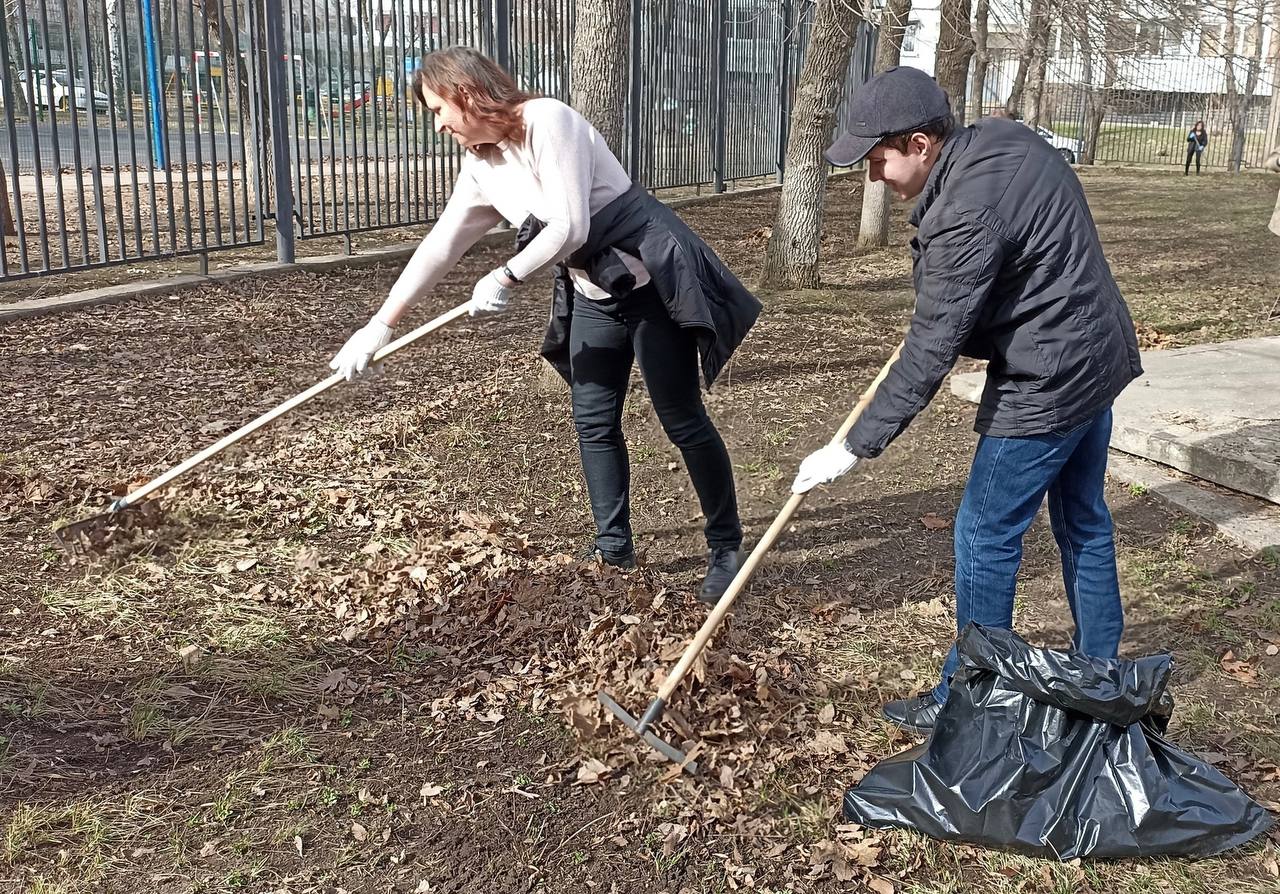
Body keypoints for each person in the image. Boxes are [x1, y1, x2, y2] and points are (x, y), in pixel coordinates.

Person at [329, 47, 760, 604]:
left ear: (467, 93)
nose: (439, 125)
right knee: (593, 420)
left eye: (439, 109)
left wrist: (505, 276)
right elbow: (440, 246)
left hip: (650, 286)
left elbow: (571, 226)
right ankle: (614, 550)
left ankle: (726, 545)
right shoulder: (483, 166)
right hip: (591, 292)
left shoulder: (547, 120)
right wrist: (380, 325)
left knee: (680, 419)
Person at [791, 67, 1143, 734]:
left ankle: (974, 698)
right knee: (1084, 519)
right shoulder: (1003, 141)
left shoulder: (962, 214)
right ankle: (1102, 673)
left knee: (984, 534)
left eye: (878, 159)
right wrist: (946, 310)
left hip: (1051, 376)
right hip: (1096, 352)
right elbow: (1007, 277)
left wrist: (850, 446)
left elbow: (931, 353)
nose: (874, 178)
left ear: (921, 144)